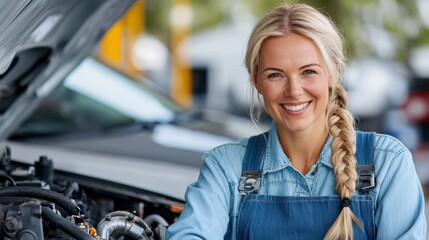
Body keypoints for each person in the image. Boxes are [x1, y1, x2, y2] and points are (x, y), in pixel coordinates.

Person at [166, 3, 426, 240]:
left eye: (308, 72)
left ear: (334, 72)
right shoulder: (226, 168)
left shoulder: (387, 162)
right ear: (257, 81)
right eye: (275, 75)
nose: (293, 90)